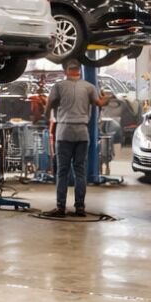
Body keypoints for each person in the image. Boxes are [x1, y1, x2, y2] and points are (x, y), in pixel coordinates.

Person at [47, 59, 111, 217]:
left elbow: (49, 105)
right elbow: (100, 103)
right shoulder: (89, 87)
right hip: (82, 132)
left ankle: (61, 207)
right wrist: (106, 98)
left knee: (62, 172)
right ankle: (80, 207)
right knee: (80, 171)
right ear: (80, 71)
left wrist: (46, 114)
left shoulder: (59, 86)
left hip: (64, 132)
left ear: (65, 71)